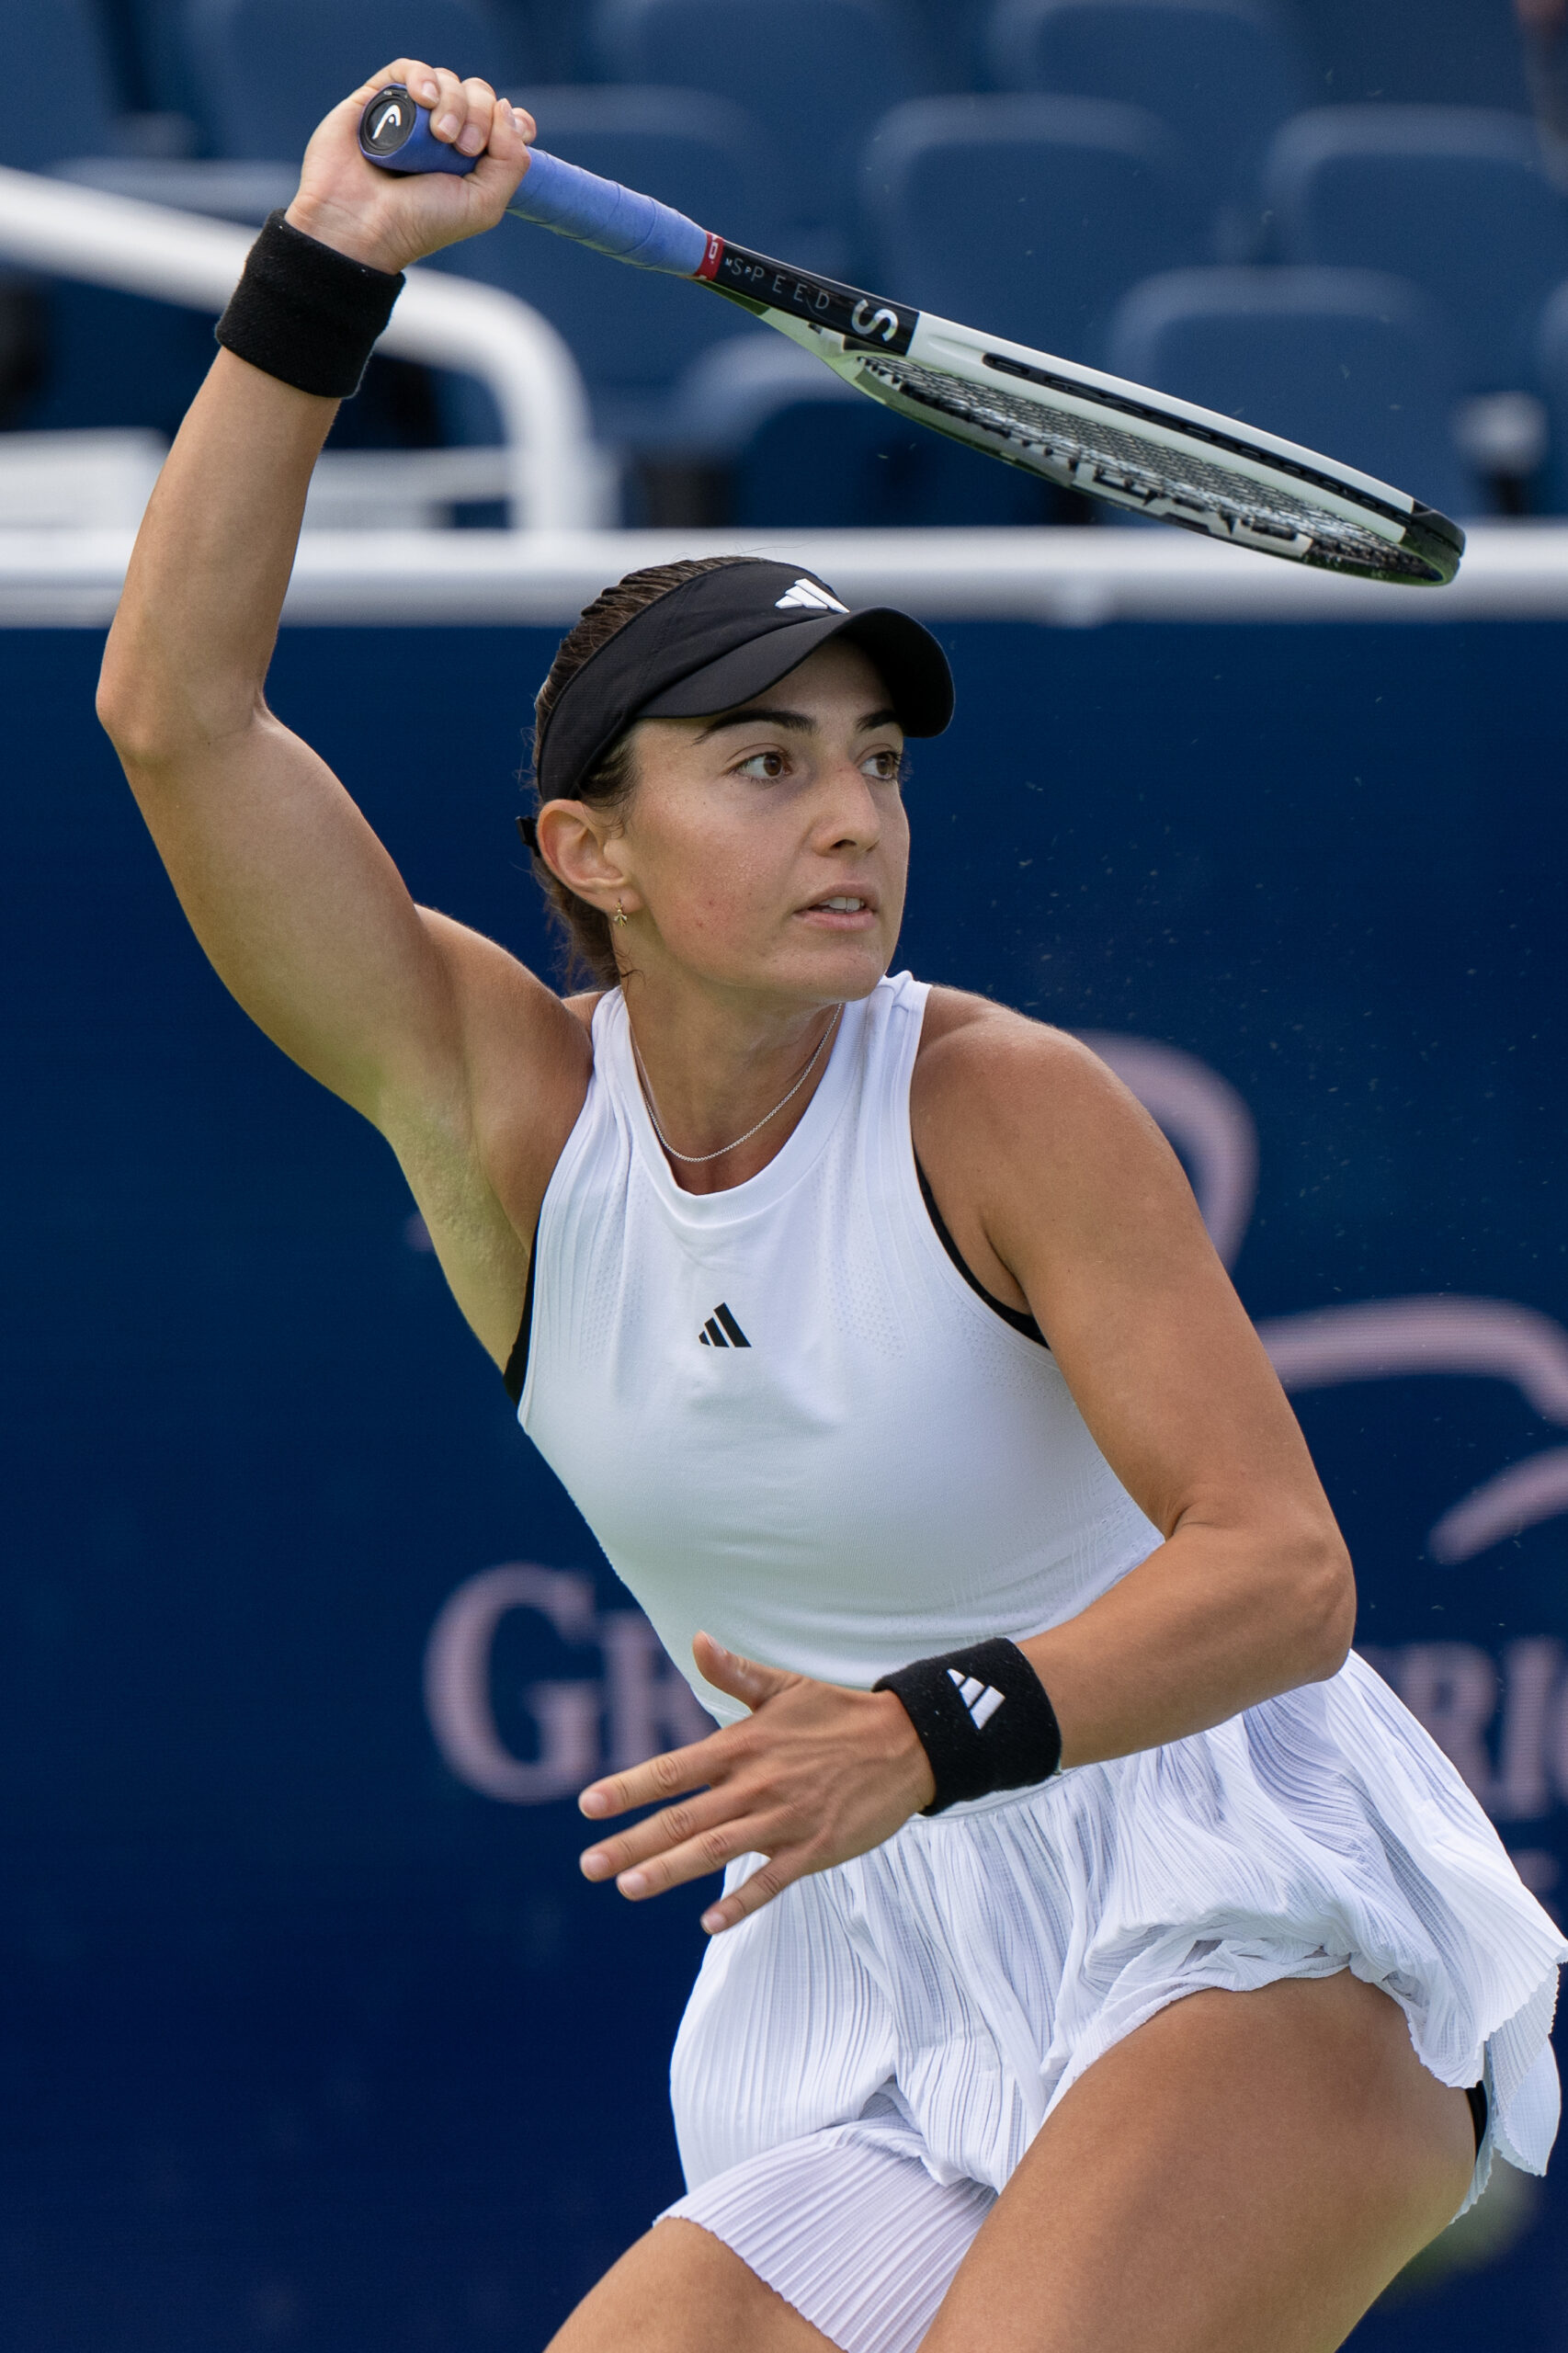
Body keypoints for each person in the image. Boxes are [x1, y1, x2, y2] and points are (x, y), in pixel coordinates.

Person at [97, 62, 1564, 2353]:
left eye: (873, 762)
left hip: (1250, 1926)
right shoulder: (504, 1120)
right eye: (764, 765)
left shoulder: (998, 1100)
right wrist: (325, 275)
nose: (850, 817)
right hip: (883, 1991)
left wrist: (920, 1728)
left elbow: (1282, 1573)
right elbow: (176, 718)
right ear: (587, 848)